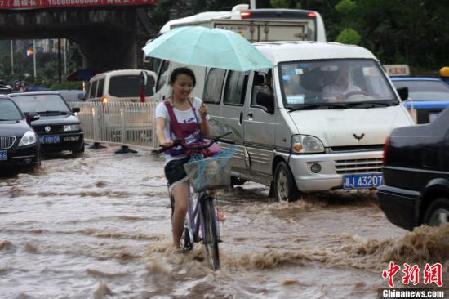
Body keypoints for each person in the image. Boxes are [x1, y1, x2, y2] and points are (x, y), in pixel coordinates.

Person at [155, 67, 209, 250]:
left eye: (190, 85)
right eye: (182, 85)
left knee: (211, 192)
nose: (186, 89)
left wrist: (204, 117)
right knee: (182, 206)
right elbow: (160, 128)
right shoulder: (164, 107)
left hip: (198, 155)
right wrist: (164, 141)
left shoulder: (197, 104)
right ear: (172, 85)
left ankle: (208, 225)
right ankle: (175, 245)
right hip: (176, 160)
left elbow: (206, 134)